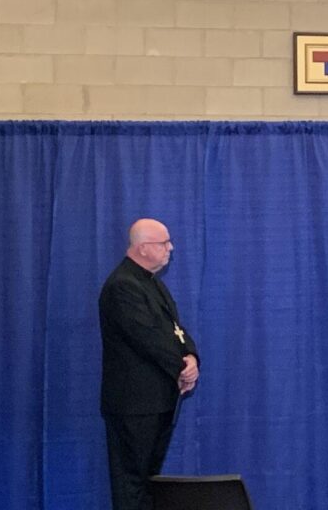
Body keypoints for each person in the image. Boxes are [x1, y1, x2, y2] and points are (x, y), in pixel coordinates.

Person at [99, 218, 200, 510]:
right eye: (163, 243)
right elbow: (147, 337)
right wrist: (181, 368)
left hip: (156, 402)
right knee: (132, 484)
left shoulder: (152, 284)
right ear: (143, 248)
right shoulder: (123, 286)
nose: (171, 248)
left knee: (149, 483)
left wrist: (191, 357)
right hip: (134, 405)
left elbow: (174, 330)